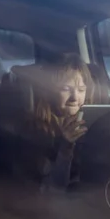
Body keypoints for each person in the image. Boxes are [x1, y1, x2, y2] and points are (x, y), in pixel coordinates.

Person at [15, 53, 94, 194]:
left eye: (81, 90)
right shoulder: (34, 131)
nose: (75, 98)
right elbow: (51, 191)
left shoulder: (91, 124)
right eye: (65, 89)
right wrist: (64, 147)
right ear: (48, 92)